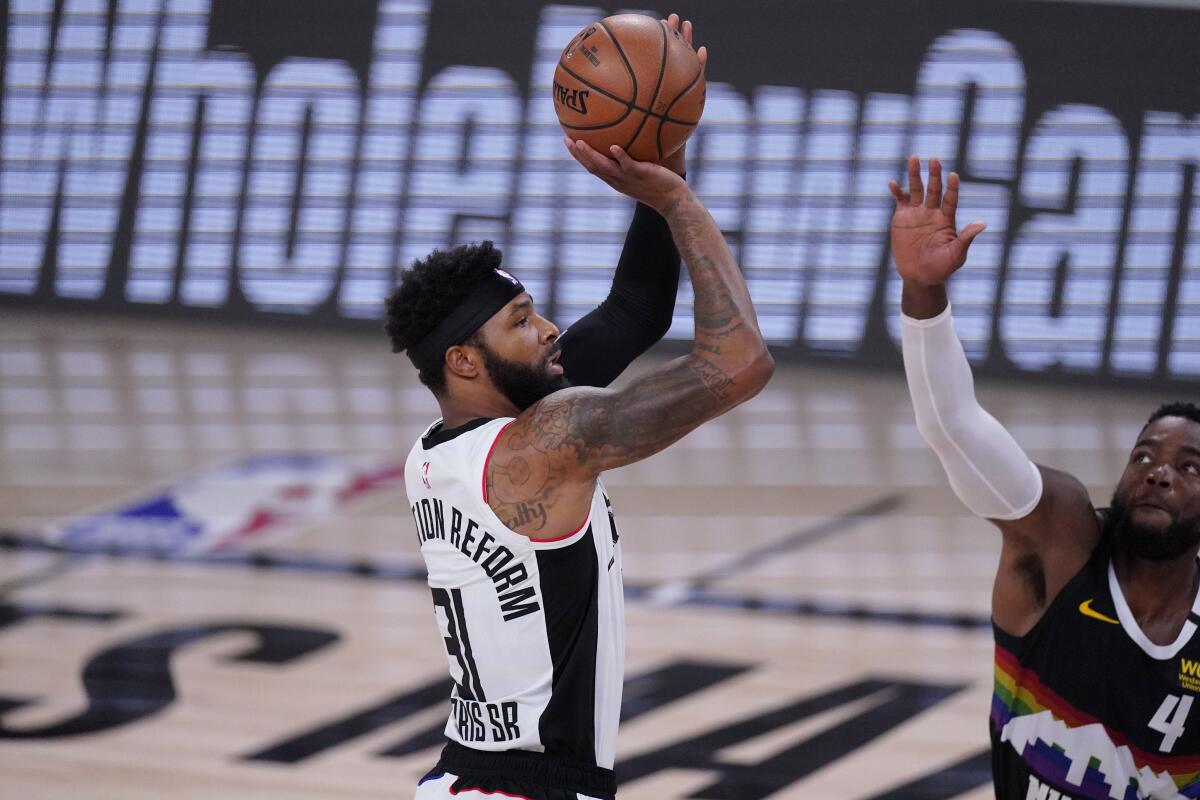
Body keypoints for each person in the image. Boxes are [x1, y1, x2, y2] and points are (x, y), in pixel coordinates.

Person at [387, 19, 773, 800]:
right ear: (465, 359)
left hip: (469, 777)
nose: (551, 329)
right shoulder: (544, 444)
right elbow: (739, 363)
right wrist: (679, 199)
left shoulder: (440, 450)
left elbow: (634, 308)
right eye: (522, 320)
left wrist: (662, 155)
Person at [890, 156, 1200, 800]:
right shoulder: (1057, 543)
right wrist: (924, 295)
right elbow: (953, 428)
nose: (1158, 474)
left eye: (1188, 466)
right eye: (1144, 456)